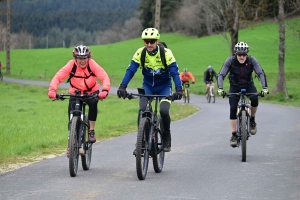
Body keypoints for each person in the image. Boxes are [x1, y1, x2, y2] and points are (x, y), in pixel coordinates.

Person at [117, 28, 183, 152]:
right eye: (146, 41)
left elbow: (174, 72)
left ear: (157, 41)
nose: (149, 44)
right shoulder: (140, 53)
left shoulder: (166, 53)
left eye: (152, 42)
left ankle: (166, 135)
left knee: (164, 110)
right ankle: (141, 141)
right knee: (142, 109)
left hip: (164, 87)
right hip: (148, 87)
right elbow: (131, 70)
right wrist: (122, 86)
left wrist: (179, 89)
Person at [48, 45, 110, 152]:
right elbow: (58, 77)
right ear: (75, 58)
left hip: (91, 92)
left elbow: (104, 76)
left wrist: (105, 90)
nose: (82, 61)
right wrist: (52, 90)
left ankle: (91, 130)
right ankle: (72, 142)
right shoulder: (71, 65)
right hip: (75, 93)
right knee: (72, 115)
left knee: (93, 103)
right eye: (80, 58)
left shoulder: (92, 64)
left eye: (85, 58)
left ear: (88, 57)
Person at [217, 41, 268, 147]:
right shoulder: (230, 61)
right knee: (232, 108)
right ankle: (234, 135)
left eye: (244, 54)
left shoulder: (251, 60)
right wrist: (220, 88)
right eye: (239, 54)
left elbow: (260, 73)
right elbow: (221, 74)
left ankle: (252, 120)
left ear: (247, 54)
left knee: (255, 99)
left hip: (248, 84)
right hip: (235, 86)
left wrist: (264, 87)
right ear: (236, 54)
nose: (241, 57)